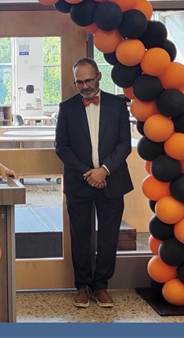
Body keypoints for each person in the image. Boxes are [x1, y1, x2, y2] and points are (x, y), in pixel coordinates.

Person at [55, 58, 133, 309]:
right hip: (80, 182)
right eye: (79, 81)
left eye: (89, 80)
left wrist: (104, 170)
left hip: (112, 179)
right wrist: (89, 173)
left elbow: (124, 143)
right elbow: (62, 147)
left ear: (99, 76)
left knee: (109, 235)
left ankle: (101, 286)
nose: (85, 86)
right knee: (79, 236)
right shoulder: (66, 108)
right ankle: (82, 286)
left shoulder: (118, 104)